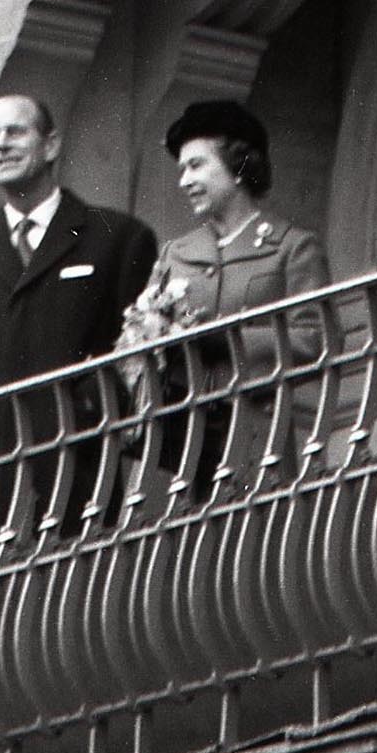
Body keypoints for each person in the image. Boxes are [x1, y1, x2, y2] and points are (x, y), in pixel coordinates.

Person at [0, 94, 156, 545]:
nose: (0, 145)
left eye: (15, 132)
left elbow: (137, 358)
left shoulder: (117, 237)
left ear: (51, 145)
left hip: (79, 452)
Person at [143, 100, 330, 493]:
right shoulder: (174, 255)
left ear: (240, 163)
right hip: (183, 446)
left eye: (196, 165)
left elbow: (316, 340)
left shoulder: (292, 247)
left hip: (260, 440)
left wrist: (228, 338)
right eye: (182, 169)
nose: (184, 180)